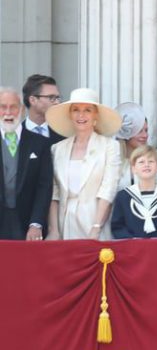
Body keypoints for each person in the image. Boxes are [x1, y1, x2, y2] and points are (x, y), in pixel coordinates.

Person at [46, 88, 123, 240]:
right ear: (70, 114)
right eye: (76, 110)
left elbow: (108, 189)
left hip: (95, 223)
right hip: (64, 223)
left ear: (96, 115)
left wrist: (96, 227)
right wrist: (53, 229)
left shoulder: (109, 147)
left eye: (87, 110)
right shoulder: (57, 148)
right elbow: (53, 192)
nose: (81, 115)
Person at [0, 86, 53, 240]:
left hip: (27, 224)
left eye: (13, 107)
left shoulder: (40, 143)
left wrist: (36, 223)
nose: (8, 112)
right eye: (3, 107)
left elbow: (44, 186)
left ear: (22, 110)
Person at [110, 145, 157, 238]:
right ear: (133, 168)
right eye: (141, 162)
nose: (146, 165)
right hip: (132, 249)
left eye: (151, 161)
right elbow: (117, 227)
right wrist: (132, 240)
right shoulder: (123, 196)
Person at [114, 102, 157, 190]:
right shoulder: (114, 160)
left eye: (146, 130)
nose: (145, 135)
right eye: (139, 131)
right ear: (126, 132)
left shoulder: (155, 159)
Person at [21, 74, 64, 143]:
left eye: (57, 98)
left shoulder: (63, 134)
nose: (57, 102)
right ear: (33, 100)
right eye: (51, 97)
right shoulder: (15, 135)